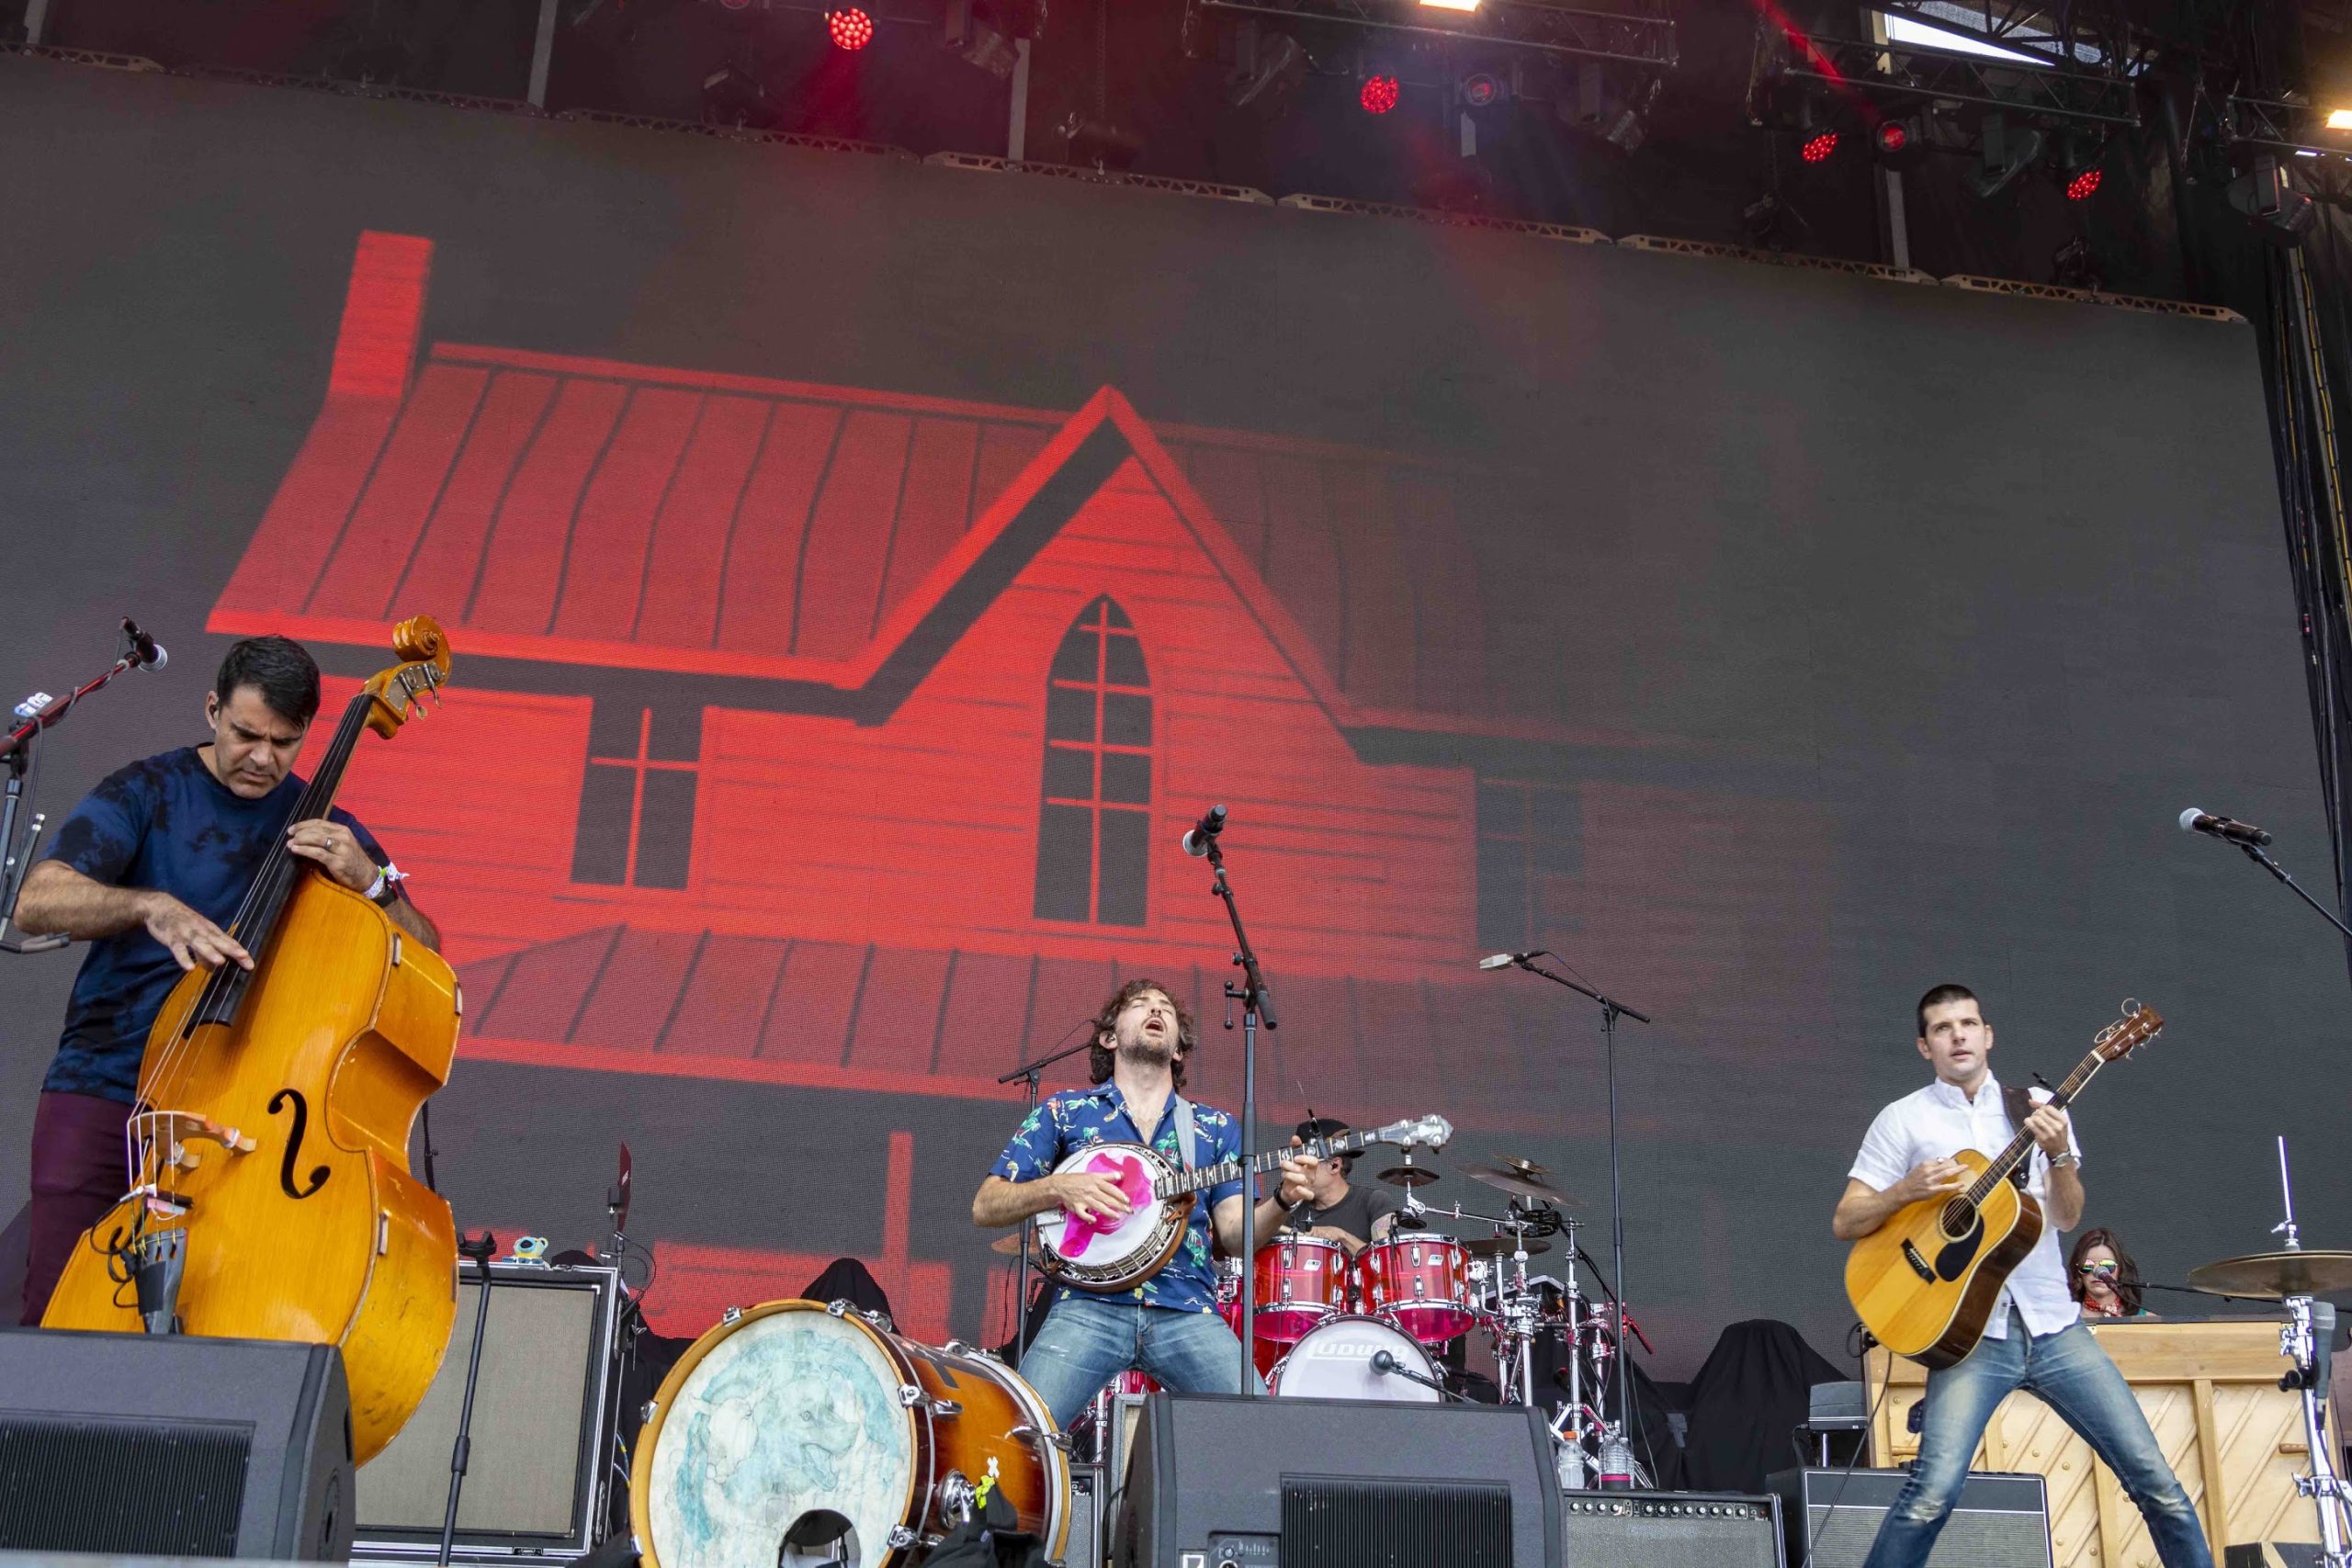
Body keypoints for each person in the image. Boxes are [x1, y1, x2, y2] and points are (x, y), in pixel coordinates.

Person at [11, 635, 437, 1325]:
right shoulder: (147, 791)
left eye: (284, 741)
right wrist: (148, 904)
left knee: (209, 1328)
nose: (263, 758)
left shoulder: (329, 830)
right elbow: (37, 898)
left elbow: (426, 958)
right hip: (106, 1086)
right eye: (245, 734)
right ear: (213, 710)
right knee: (58, 1315)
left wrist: (375, 885)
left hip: (239, 1118)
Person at [1832, 985, 2210, 1568]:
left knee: (2156, 1482)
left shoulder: (2036, 1107)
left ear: (1988, 1036)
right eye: (1941, 1028)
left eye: (1968, 1023)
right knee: (1929, 1496)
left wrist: (2059, 1157)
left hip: (2056, 1329)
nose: (1957, 1035)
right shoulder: (1901, 1120)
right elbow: (1846, 1220)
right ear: (1923, 1047)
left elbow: (2064, 1217)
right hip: (1972, 1341)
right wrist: (1906, 1191)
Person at [972, 978, 1316, 1430]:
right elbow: (986, 1204)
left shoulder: (1214, 1127)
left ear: (1177, 1049)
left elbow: (1234, 1236)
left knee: (1262, 1434)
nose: (1156, 1010)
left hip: (1187, 1310)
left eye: (1166, 1009)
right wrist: (1058, 1187)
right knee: (1017, 1436)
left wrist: (1283, 1199)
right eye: (1140, 1005)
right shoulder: (1065, 1112)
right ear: (1109, 1037)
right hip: (1087, 1306)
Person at [1281, 1115, 1399, 1256]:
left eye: (1305, 1164)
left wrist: (1342, 1237)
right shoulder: (1290, 1214)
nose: (1297, 1171)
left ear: (1335, 1165)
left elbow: (1388, 1262)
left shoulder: (1374, 1202)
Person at [2071, 1227, 2154, 1320]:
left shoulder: (2150, 1322)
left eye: (2107, 1265)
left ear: (2121, 1269)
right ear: (2078, 1271)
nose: (2097, 1272)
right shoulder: (2064, 1321)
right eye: (2087, 1265)